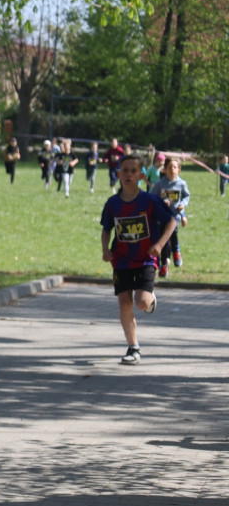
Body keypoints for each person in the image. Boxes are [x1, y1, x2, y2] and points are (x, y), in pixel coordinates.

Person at [100, 155, 176, 365]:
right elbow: (106, 229)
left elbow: (170, 222)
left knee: (141, 302)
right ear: (118, 174)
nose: (129, 175)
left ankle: (150, 300)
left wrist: (159, 245)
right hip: (121, 260)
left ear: (142, 175)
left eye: (134, 171)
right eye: (125, 170)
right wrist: (105, 249)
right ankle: (133, 348)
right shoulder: (112, 203)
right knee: (124, 301)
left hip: (145, 259)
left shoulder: (149, 201)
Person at [149, 157, 191, 276]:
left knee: (173, 234)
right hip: (162, 217)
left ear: (179, 170)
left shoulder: (182, 184)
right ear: (164, 170)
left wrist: (183, 205)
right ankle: (164, 264)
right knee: (163, 240)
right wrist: (162, 202)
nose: (172, 169)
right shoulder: (160, 184)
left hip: (175, 216)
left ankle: (176, 252)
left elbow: (186, 196)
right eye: (169, 167)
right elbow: (152, 197)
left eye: (174, 167)